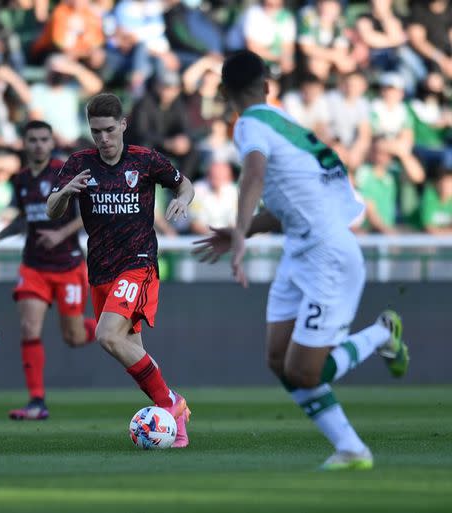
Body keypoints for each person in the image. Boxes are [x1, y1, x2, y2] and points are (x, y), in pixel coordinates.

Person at [193, 50, 410, 470]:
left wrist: (239, 233)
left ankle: (382, 333)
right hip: (301, 250)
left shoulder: (250, 124)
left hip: (327, 255)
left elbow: (253, 174)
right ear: (268, 85)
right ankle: (350, 449)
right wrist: (247, 230)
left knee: (306, 372)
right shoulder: (288, 126)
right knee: (278, 361)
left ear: (224, 92)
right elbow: (292, 205)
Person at [46, 93, 194, 447]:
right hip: (100, 269)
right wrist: (65, 191)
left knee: (107, 335)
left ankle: (169, 403)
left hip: (138, 264)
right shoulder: (79, 163)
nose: (104, 139)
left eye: (110, 130)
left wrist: (181, 199)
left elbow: (184, 183)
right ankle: (178, 423)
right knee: (128, 347)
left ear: (123, 125)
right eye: (96, 132)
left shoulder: (144, 160)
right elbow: (52, 210)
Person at [0, 120, 97, 420]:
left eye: (44, 139)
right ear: (24, 143)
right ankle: (37, 401)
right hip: (33, 265)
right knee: (29, 328)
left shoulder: (65, 171)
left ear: (51, 142)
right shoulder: (20, 180)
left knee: (73, 336)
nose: (38, 145)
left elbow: (89, 212)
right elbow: (25, 219)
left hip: (69, 264)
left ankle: (111, 327)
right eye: (32, 139)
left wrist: (60, 235)